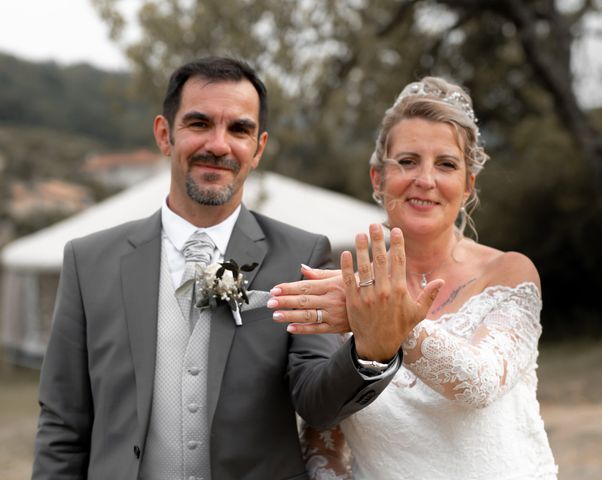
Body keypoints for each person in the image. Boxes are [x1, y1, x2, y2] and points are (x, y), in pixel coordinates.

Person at [31, 56, 421, 480]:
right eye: (199, 124)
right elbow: (63, 424)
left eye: (239, 129)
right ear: (165, 134)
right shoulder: (89, 262)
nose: (219, 145)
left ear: (258, 148)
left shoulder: (300, 254)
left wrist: (371, 351)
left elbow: (317, 403)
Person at [269, 76, 558, 479]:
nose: (425, 180)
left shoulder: (508, 273)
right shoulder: (340, 287)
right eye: (407, 161)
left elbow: (478, 384)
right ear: (377, 178)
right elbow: (322, 434)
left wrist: (376, 319)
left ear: (468, 185)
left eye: (446, 164)